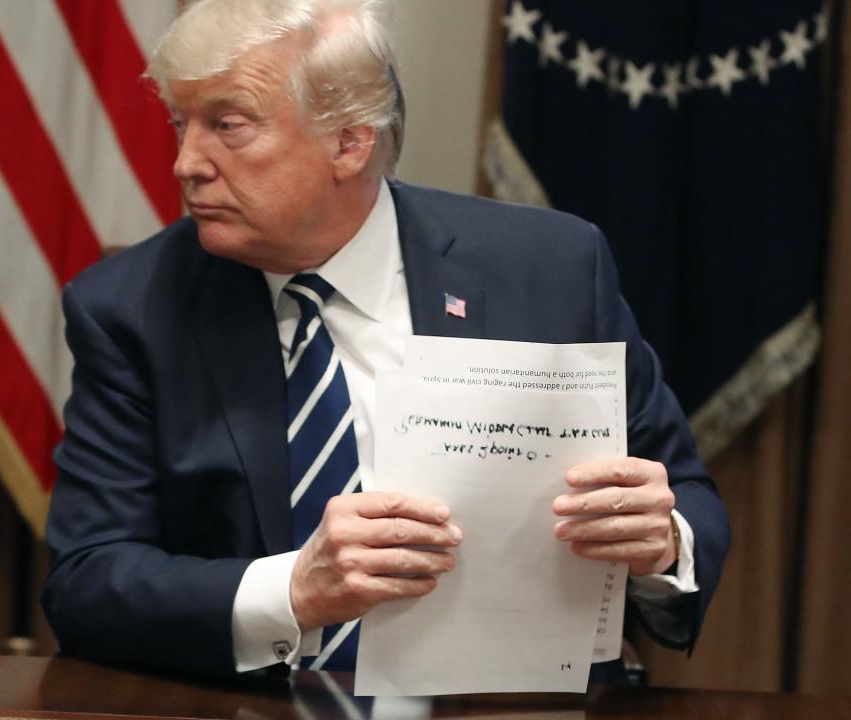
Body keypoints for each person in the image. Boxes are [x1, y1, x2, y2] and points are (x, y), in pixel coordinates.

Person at [42, 0, 729, 685]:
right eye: (180, 124)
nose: (186, 163)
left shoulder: (550, 269)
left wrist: (664, 542)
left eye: (228, 126)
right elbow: (87, 581)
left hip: (510, 705)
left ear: (349, 142)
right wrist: (293, 592)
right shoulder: (132, 310)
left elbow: (686, 496)